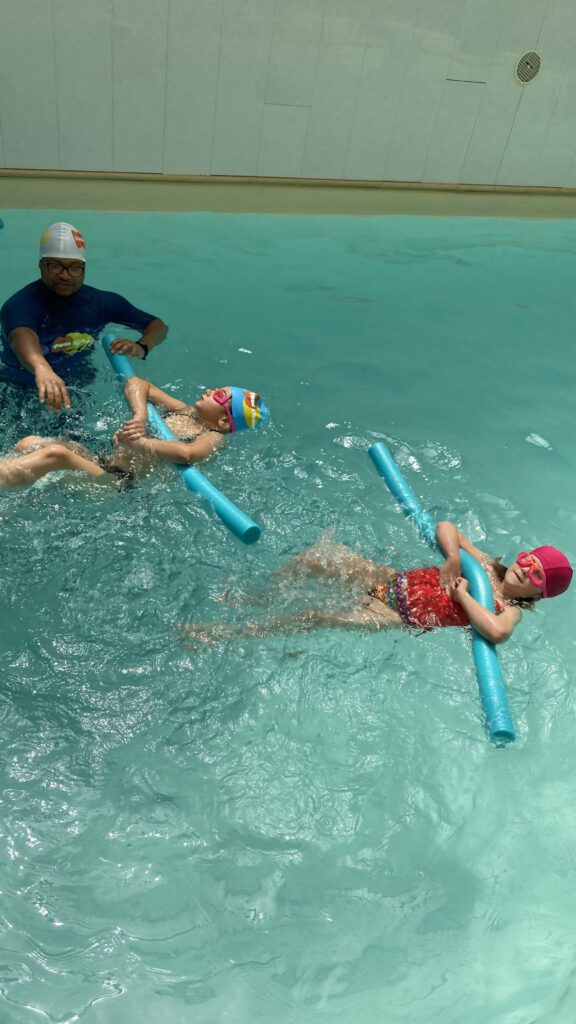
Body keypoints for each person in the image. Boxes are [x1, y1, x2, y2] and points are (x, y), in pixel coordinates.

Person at [181, 523, 573, 645]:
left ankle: (226, 634)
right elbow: (446, 527)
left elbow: (495, 633)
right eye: (528, 560)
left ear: (540, 593)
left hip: (392, 612)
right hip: (389, 580)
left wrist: (466, 599)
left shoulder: (507, 610)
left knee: (317, 615)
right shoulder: (487, 564)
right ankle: (255, 597)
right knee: (316, 557)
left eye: (537, 574)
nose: (525, 569)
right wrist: (454, 558)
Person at [0, 222, 168, 413]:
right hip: (18, 388)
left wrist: (142, 347)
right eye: (55, 266)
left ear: (84, 269)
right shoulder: (19, 305)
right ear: (41, 266)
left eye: (74, 268)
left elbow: (157, 325)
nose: (65, 275)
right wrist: (41, 368)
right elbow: (21, 335)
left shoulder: (100, 303)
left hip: (77, 387)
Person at [0, 379, 269, 490]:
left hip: (116, 482)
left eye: (219, 395)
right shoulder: (187, 412)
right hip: (101, 460)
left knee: (56, 455)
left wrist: (139, 442)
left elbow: (187, 454)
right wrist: (140, 416)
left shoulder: (213, 437)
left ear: (224, 420)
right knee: (30, 442)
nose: (211, 391)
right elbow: (136, 383)